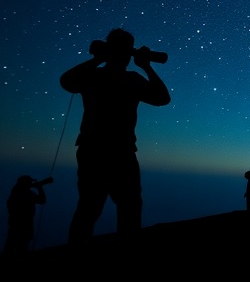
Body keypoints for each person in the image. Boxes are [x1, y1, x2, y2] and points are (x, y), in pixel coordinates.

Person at [60, 28, 171, 244]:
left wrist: (98, 60)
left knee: (91, 207)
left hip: (99, 150)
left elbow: (162, 99)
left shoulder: (102, 76)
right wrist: (145, 66)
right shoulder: (124, 79)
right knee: (121, 207)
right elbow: (67, 81)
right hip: (117, 151)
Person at [3, 175, 51, 259]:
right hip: (25, 223)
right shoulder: (27, 193)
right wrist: (40, 188)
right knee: (22, 246)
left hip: (14, 223)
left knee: (10, 245)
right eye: (29, 182)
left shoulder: (15, 192)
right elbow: (42, 200)